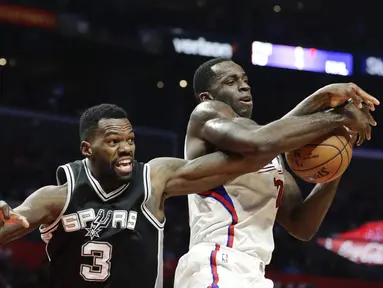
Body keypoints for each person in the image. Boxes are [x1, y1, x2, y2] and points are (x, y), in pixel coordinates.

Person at [0, 103, 272, 288]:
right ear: (87, 148)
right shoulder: (56, 197)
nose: (126, 148)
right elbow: (13, 221)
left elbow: (239, 162)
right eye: (113, 141)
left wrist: (299, 127)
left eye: (130, 140)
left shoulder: (153, 181)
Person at [174, 58, 379, 288]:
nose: (244, 85)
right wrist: (336, 116)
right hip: (217, 262)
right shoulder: (206, 114)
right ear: (207, 96)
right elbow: (260, 140)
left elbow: (302, 225)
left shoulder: (270, 156)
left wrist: (339, 159)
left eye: (245, 79)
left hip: (255, 272)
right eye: (230, 81)